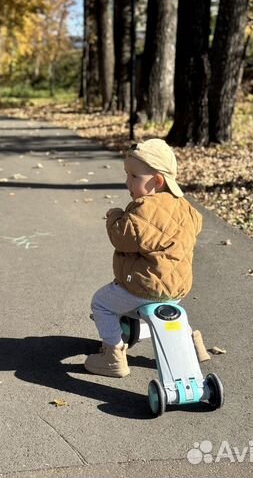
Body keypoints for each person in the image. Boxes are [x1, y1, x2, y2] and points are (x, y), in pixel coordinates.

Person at [84, 139, 202, 378]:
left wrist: (115, 215)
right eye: (127, 175)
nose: (128, 182)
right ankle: (192, 344)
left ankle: (113, 355)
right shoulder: (186, 208)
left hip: (142, 288)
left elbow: (122, 237)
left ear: (157, 181)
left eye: (134, 177)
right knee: (168, 313)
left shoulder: (144, 209)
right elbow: (196, 225)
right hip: (177, 289)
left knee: (102, 304)